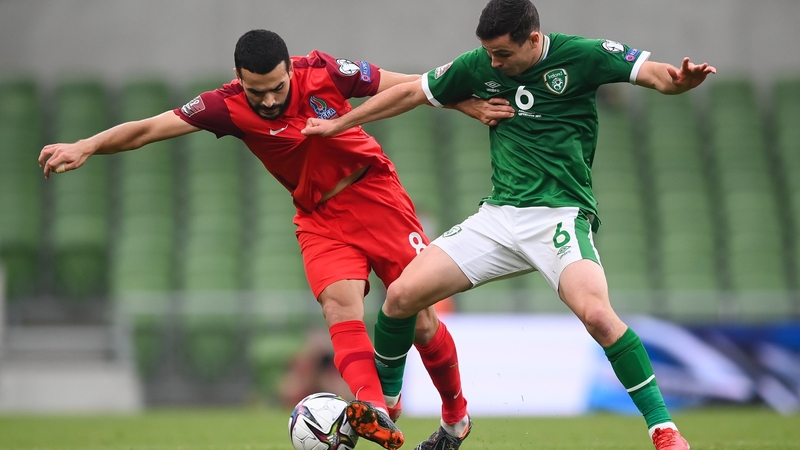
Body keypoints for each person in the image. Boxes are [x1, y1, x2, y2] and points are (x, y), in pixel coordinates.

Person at [38, 29, 512, 450]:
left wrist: (461, 101)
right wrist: (87, 145)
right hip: (318, 216)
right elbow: (148, 129)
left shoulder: (324, 71)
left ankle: (456, 418)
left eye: (276, 87)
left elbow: (407, 84)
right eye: (256, 91)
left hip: (374, 195)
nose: (267, 101)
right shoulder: (225, 105)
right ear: (238, 79)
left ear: (290, 68)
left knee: (422, 321)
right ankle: (375, 408)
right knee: (338, 306)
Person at [302, 1, 717, 449]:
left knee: (598, 315)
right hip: (499, 217)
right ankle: (387, 404)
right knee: (401, 296)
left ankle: (664, 430)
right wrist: (340, 124)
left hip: (559, 216)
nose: (494, 63)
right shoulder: (480, 63)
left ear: (533, 39)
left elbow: (654, 74)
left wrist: (678, 82)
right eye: (489, 53)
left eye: (502, 54)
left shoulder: (582, 55)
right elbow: (411, 93)